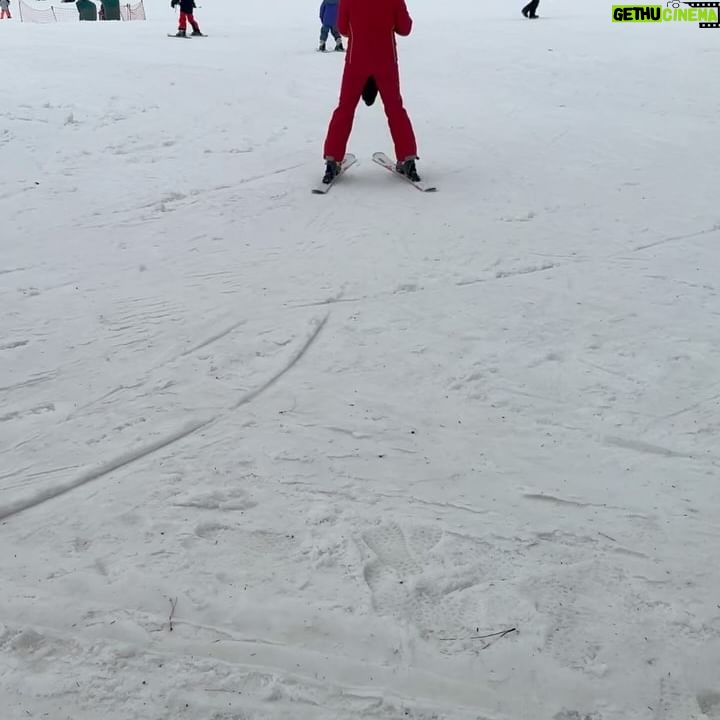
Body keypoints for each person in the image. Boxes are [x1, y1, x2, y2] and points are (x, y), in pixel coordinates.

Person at [321, 0, 420, 184]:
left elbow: (342, 29)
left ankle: (332, 159)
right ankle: (408, 158)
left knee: (345, 109)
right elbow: (405, 28)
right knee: (395, 109)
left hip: (356, 60)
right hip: (386, 60)